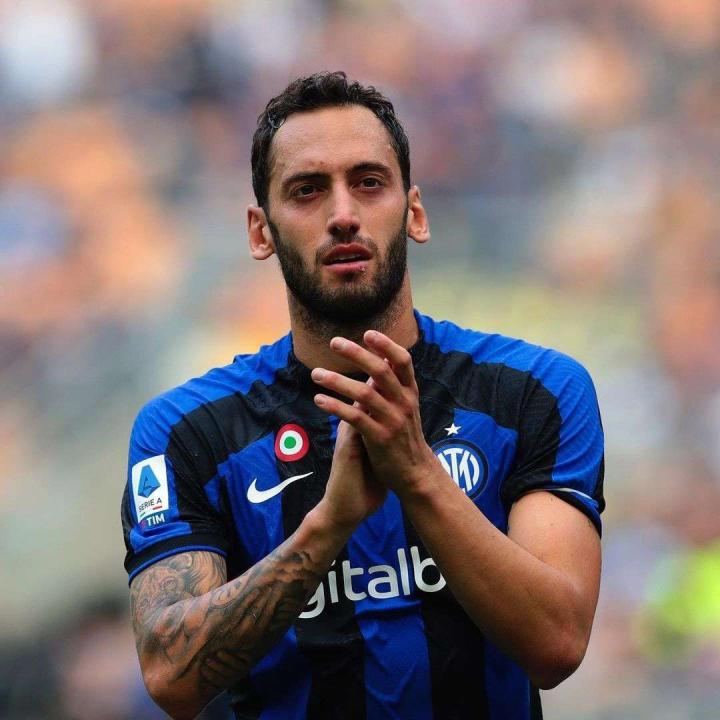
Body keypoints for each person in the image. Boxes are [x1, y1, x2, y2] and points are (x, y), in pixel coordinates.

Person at [121, 71, 604, 720]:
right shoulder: (190, 431)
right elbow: (170, 677)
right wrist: (330, 524)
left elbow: (558, 644)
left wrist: (417, 474)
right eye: (307, 190)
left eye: (369, 182)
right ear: (261, 232)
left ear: (415, 212)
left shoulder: (534, 391)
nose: (343, 214)